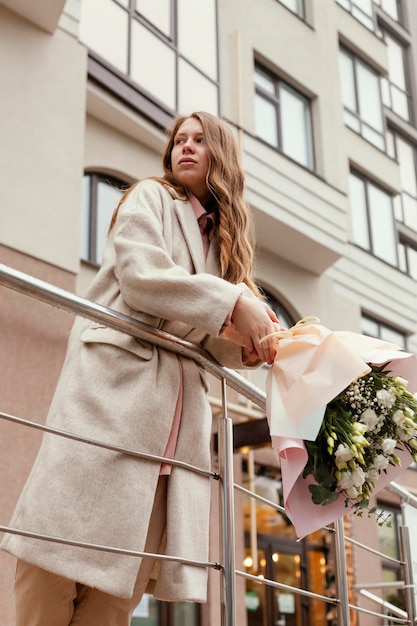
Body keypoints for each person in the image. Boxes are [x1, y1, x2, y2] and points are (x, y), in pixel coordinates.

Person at [1, 111, 280, 625]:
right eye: (179, 140)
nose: (186, 147)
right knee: (51, 563)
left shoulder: (224, 248)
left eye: (200, 140)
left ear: (223, 155)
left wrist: (243, 346)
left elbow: (201, 336)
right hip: (111, 403)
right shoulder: (150, 198)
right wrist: (233, 301)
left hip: (169, 445)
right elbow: (142, 278)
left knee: (117, 595)